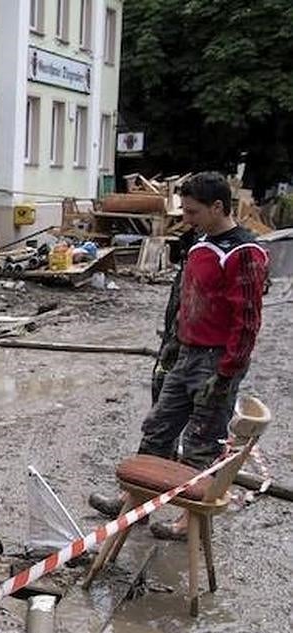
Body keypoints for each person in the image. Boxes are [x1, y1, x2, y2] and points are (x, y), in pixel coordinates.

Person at [90, 172, 270, 538]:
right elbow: (183, 302)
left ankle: (189, 520)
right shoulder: (201, 244)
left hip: (217, 360)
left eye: (193, 212)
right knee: (157, 429)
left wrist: (225, 374)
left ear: (218, 207)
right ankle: (135, 504)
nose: (186, 219)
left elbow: (247, 321)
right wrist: (171, 347)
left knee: (203, 441)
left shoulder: (245, 253)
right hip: (185, 353)